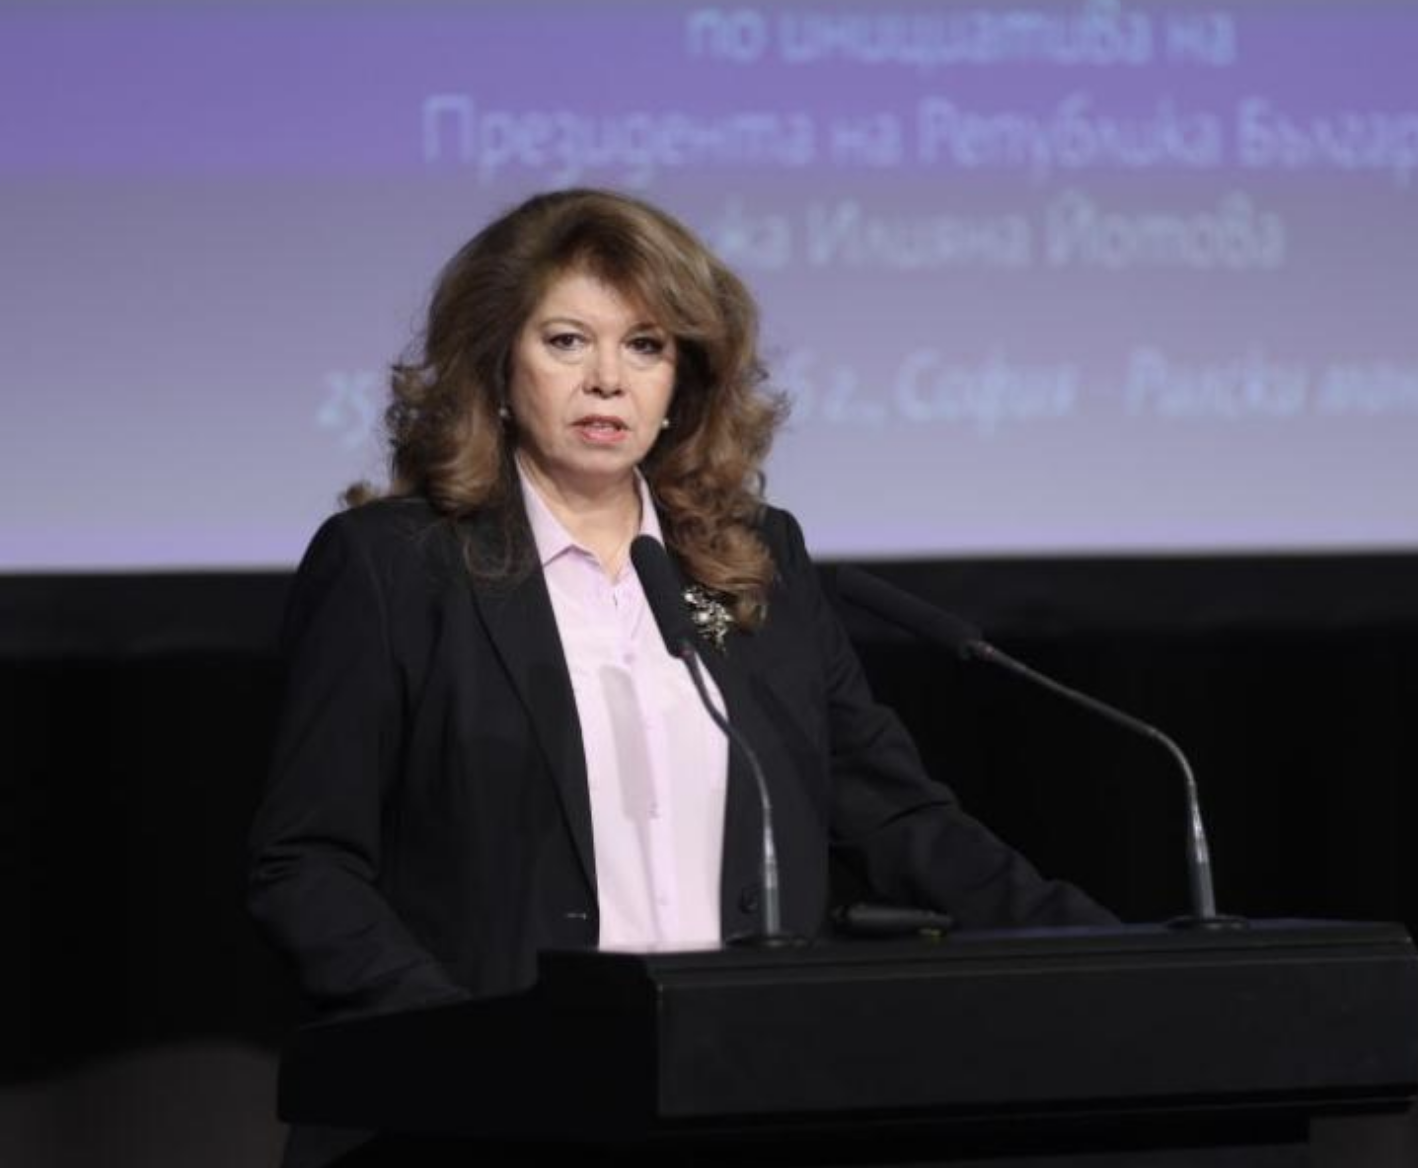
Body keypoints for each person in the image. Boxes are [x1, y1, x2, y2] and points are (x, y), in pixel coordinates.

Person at [248, 187, 1113, 1164]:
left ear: (684, 380)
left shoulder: (742, 565)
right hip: (480, 1119)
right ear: (497, 364)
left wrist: (1120, 952)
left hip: (734, 1099)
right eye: (567, 341)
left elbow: (902, 820)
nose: (607, 380)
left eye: (646, 346)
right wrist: (463, 1048)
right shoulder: (401, 569)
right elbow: (305, 866)